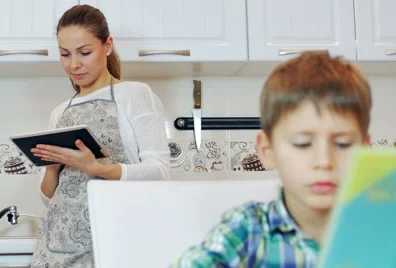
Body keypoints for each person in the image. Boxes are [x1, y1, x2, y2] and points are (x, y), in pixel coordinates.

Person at [173, 51, 372, 267]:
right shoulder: (246, 230)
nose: (324, 161)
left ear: (365, 149)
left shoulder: (384, 226)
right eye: (302, 144)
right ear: (268, 150)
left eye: (342, 144)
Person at [29, 5, 170, 267]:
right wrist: (51, 169)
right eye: (64, 54)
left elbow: (160, 172)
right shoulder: (60, 112)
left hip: (116, 242)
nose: (74, 64)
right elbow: (50, 199)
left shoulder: (134, 95)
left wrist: (96, 168)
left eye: (85, 52)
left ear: (107, 45)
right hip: (56, 250)